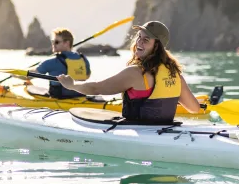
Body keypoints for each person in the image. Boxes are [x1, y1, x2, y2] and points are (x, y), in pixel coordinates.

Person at [57, 21, 201, 122]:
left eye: (145, 40)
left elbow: (96, 88)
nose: (139, 42)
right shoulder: (174, 74)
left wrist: (72, 85)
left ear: (157, 47)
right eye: (139, 37)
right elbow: (194, 108)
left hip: (141, 133)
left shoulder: (136, 73)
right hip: (163, 132)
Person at [35, 28, 91, 98]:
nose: (53, 44)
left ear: (66, 43)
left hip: (60, 98)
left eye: (56, 42)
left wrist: (18, 73)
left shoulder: (53, 62)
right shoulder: (83, 58)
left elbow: (30, 75)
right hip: (81, 96)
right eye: (52, 42)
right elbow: (87, 76)